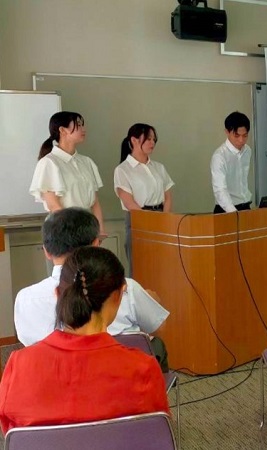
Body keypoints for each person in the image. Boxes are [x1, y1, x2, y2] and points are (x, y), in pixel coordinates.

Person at [0, 246, 169, 435]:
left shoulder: (19, 366)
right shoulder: (143, 369)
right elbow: (156, 435)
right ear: (118, 296)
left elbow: (12, 435)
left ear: (58, 294)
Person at [13, 208, 170, 372]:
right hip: (122, 377)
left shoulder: (25, 299)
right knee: (156, 345)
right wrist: (151, 301)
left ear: (46, 250)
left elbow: (29, 345)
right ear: (96, 244)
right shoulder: (123, 287)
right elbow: (158, 326)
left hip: (52, 380)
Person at [29, 111, 105, 235]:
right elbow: (54, 205)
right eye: (78, 125)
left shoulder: (86, 162)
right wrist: (75, 231)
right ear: (62, 130)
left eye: (82, 125)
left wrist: (100, 230)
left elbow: (95, 202)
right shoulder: (49, 162)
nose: (83, 129)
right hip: (64, 229)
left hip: (87, 228)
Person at [114, 123, 175, 273]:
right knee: (140, 268)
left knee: (162, 267)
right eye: (148, 139)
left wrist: (164, 219)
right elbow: (129, 202)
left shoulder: (158, 167)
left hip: (160, 218)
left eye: (154, 139)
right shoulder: (123, 169)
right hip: (138, 220)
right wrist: (149, 221)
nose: (152, 142)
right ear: (134, 140)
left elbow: (167, 196)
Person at [211, 111, 252, 213]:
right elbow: (220, 190)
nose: (241, 140)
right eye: (237, 136)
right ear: (227, 132)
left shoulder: (247, 151)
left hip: (245, 206)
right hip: (226, 209)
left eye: (245, 135)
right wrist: (233, 212)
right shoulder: (219, 156)